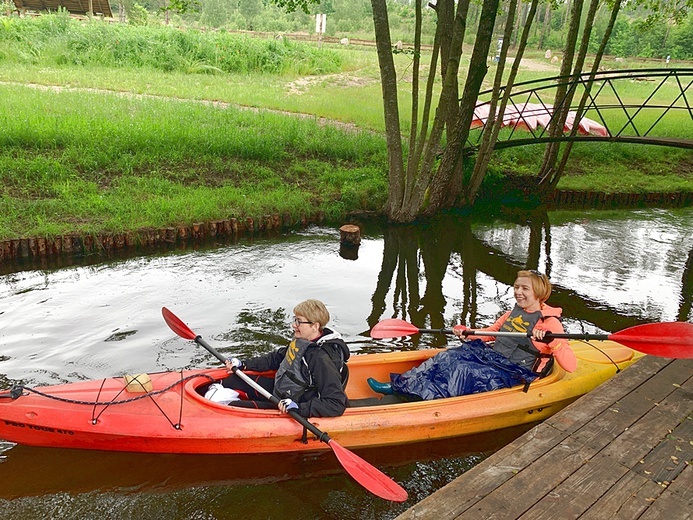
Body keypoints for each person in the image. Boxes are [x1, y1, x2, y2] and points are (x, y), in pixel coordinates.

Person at [368, 270, 577, 400]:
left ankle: (418, 397)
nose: (518, 292)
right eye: (516, 287)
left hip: (515, 372)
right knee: (448, 356)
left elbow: (571, 366)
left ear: (538, 293)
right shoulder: (511, 313)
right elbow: (491, 334)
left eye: (525, 289)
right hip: (494, 359)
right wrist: (466, 333)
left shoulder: (550, 323)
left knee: (463, 369)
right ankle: (399, 385)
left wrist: (553, 341)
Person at [216, 299, 350, 418]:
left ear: (314, 326)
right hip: (282, 389)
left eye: (299, 321)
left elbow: (336, 403)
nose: (293, 325)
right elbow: (276, 358)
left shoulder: (321, 358)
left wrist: (298, 408)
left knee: (230, 407)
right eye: (294, 319)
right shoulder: (303, 340)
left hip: (295, 403)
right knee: (231, 380)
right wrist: (243, 363)